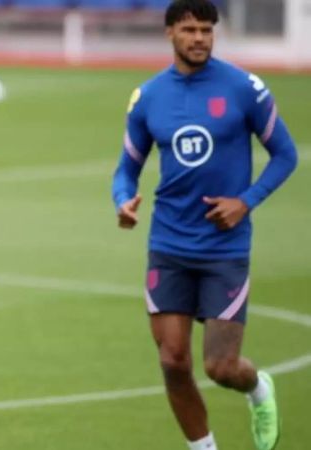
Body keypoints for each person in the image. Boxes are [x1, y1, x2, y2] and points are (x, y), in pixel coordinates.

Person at [111, 1, 298, 449]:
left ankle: (258, 389)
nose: (199, 38)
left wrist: (246, 202)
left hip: (224, 250)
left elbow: (286, 154)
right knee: (174, 362)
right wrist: (124, 201)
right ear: (169, 33)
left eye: (207, 30)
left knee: (220, 366)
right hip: (168, 244)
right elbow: (126, 170)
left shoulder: (244, 89)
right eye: (190, 29)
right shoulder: (149, 97)